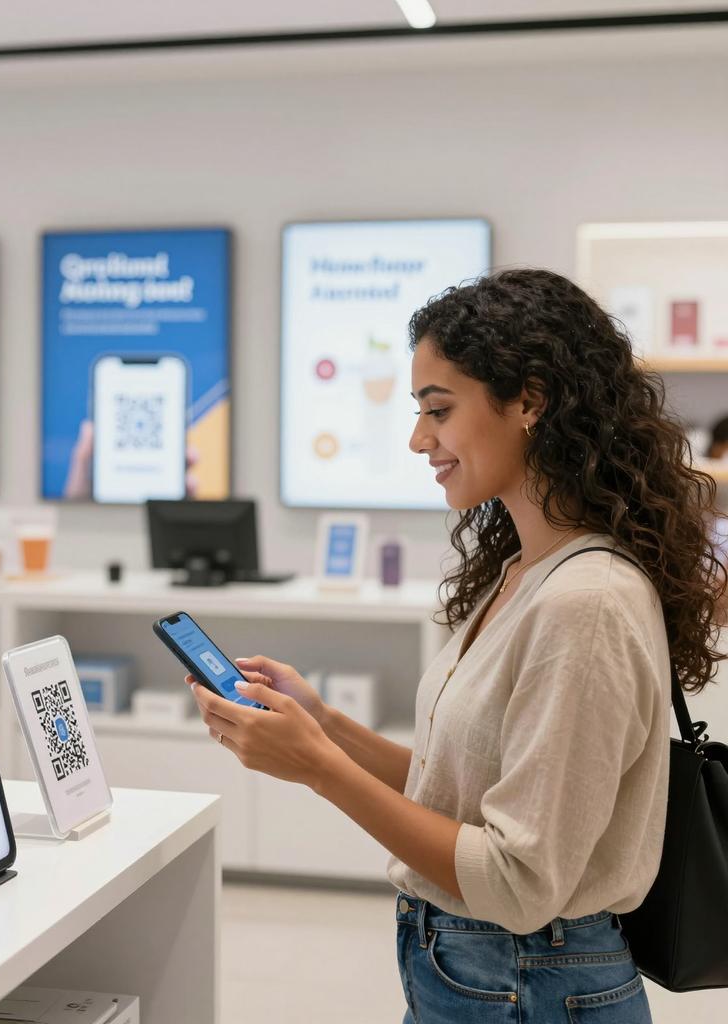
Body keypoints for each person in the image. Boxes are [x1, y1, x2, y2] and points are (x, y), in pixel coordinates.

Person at [185, 269, 726, 1022]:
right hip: (486, 975)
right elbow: (470, 797)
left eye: (438, 410)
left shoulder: (586, 603)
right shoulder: (526, 573)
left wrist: (317, 770)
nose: (418, 439)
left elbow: (517, 880)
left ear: (530, 401)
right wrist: (326, 728)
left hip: (527, 983)